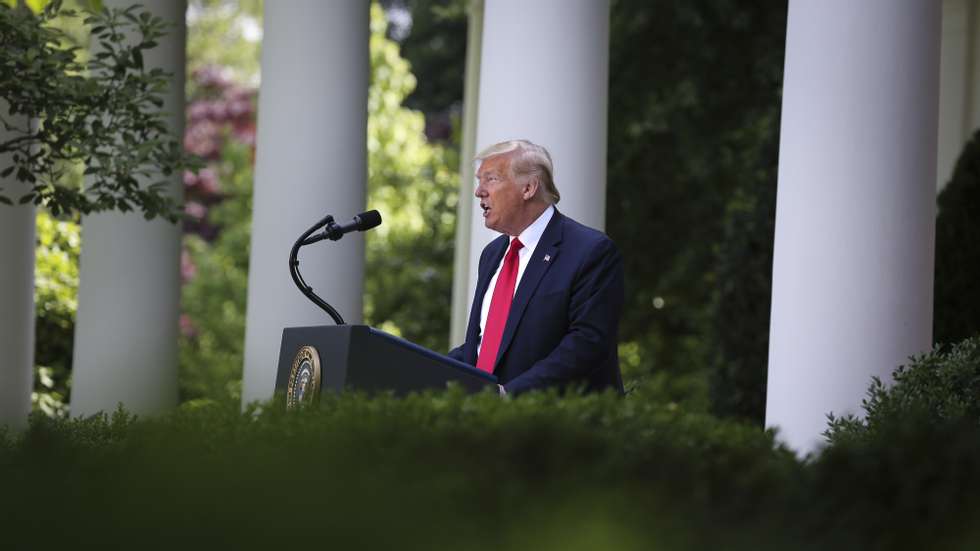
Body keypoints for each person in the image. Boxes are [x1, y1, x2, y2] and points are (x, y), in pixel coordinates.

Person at [448, 139, 625, 396]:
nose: (479, 191)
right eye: (479, 180)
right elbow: (487, 344)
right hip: (486, 423)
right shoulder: (492, 254)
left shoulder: (590, 251)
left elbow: (587, 344)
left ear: (529, 188)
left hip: (558, 426)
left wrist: (509, 395)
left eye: (491, 179)